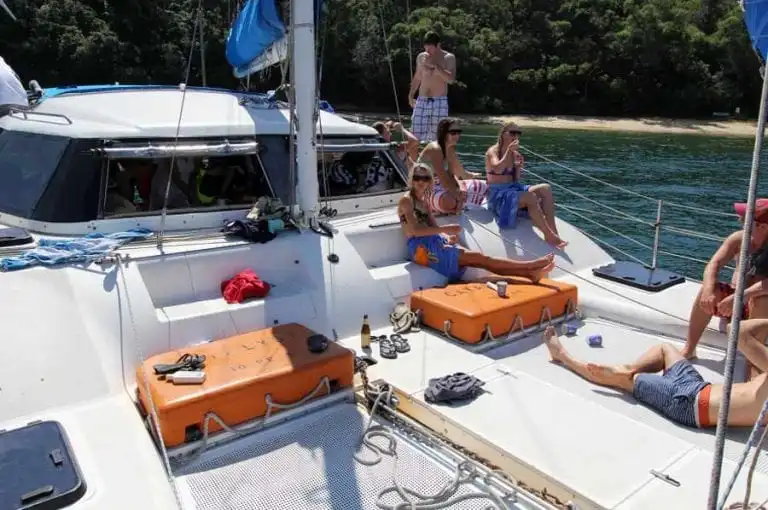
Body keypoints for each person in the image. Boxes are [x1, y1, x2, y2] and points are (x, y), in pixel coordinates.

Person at [542, 324, 768, 428]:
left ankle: (562, 355)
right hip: (698, 387)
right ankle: (629, 368)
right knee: (665, 349)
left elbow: (738, 330)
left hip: (687, 404)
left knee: (621, 381)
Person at [398, 162, 555, 282]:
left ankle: (530, 272)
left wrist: (447, 236)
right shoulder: (406, 201)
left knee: (480, 259)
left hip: (433, 243)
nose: (421, 181)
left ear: (430, 181)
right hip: (420, 249)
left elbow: (433, 226)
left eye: (425, 178)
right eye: (417, 178)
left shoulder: (424, 201)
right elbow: (415, 231)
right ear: (411, 179)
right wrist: (446, 230)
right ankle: (530, 267)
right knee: (480, 259)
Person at [681, 199, 768, 359]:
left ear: (762, 226)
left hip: (760, 310)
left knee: (762, 300)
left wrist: (740, 296)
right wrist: (708, 290)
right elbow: (714, 263)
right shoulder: (739, 239)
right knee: (708, 290)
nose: (740, 220)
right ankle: (689, 349)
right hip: (739, 303)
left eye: (746, 219)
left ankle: (754, 363)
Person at [485, 123, 566, 248]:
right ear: (503, 134)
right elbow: (497, 168)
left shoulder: (515, 154)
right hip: (498, 195)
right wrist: (509, 151)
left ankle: (554, 232)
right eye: (512, 132)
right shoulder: (493, 151)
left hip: (513, 187)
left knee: (545, 188)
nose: (515, 136)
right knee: (530, 197)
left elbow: (516, 179)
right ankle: (548, 235)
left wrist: (518, 167)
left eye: (518, 133)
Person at [418, 117, 488, 214]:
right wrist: (458, 197)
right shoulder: (435, 148)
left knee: (482, 186)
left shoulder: (450, 148)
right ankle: (460, 204)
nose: (457, 135)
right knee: (450, 201)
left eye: (459, 132)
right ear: (443, 132)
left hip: (442, 186)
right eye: (453, 132)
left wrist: (459, 190)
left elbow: (450, 176)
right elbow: (443, 178)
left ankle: (460, 205)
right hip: (425, 188)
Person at [407, 31, 456, 142]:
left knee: (438, 138)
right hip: (422, 100)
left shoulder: (448, 58)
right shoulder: (421, 57)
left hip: (439, 101)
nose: (427, 51)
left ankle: (437, 158)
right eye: (426, 48)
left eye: (430, 48)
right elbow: (417, 78)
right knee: (414, 135)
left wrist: (435, 66)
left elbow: (451, 79)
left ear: (438, 46)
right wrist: (410, 95)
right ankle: (413, 159)